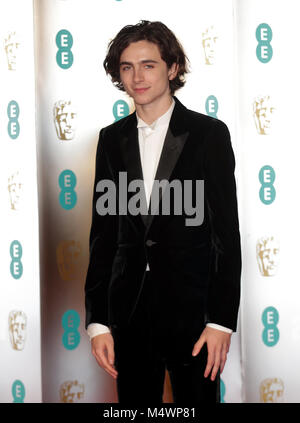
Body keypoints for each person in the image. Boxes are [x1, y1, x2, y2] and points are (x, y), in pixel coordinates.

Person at [85, 20, 241, 404]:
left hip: (195, 315)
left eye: (149, 64)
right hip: (129, 312)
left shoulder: (209, 135)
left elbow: (226, 234)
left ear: (172, 68)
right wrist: (98, 321)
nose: (137, 76)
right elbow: (103, 234)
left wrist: (221, 320)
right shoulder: (110, 139)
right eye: (126, 67)